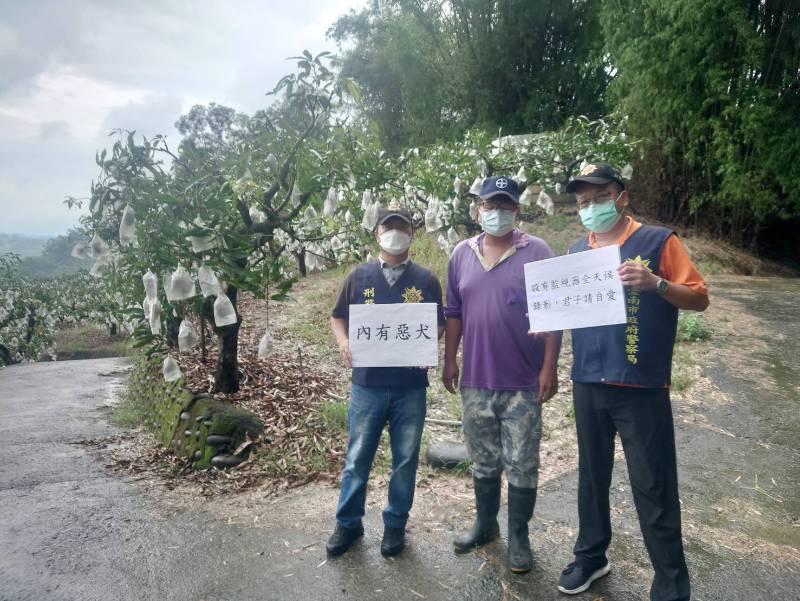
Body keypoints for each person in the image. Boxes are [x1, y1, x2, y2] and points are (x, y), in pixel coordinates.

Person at [558, 162, 709, 600]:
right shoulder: (574, 252)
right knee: (591, 475)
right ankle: (591, 556)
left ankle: (670, 581)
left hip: (640, 385)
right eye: (583, 201)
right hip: (588, 380)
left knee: (653, 483)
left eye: (599, 197)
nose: (591, 207)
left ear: (621, 196)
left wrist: (657, 283)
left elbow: (699, 297)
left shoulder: (657, 241)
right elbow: (564, 309)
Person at [442, 175, 561, 573]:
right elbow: (453, 311)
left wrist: (550, 366)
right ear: (478, 210)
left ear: (517, 211)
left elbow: (553, 314)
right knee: (484, 459)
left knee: (523, 461)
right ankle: (485, 524)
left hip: (523, 381)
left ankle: (519, 536)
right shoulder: (461, 253)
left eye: (504, 206)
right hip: (476, 379)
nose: (496, 213)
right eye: (489, 206)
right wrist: (450, 359)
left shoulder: (538, 251)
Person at [326, 202, 446, 558]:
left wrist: (427, 344)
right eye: (388, 227)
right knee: (358, 456)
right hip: (367, 384)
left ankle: (395, 526)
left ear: (412, 233)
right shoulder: (358, 277)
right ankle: (348, 523)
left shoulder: (426, 280)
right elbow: (337, 317)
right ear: (377, 233)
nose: (395, 233)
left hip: (410, 386)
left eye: (402, 227)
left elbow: (438, 323)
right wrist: (345, 342)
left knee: (405, 458)